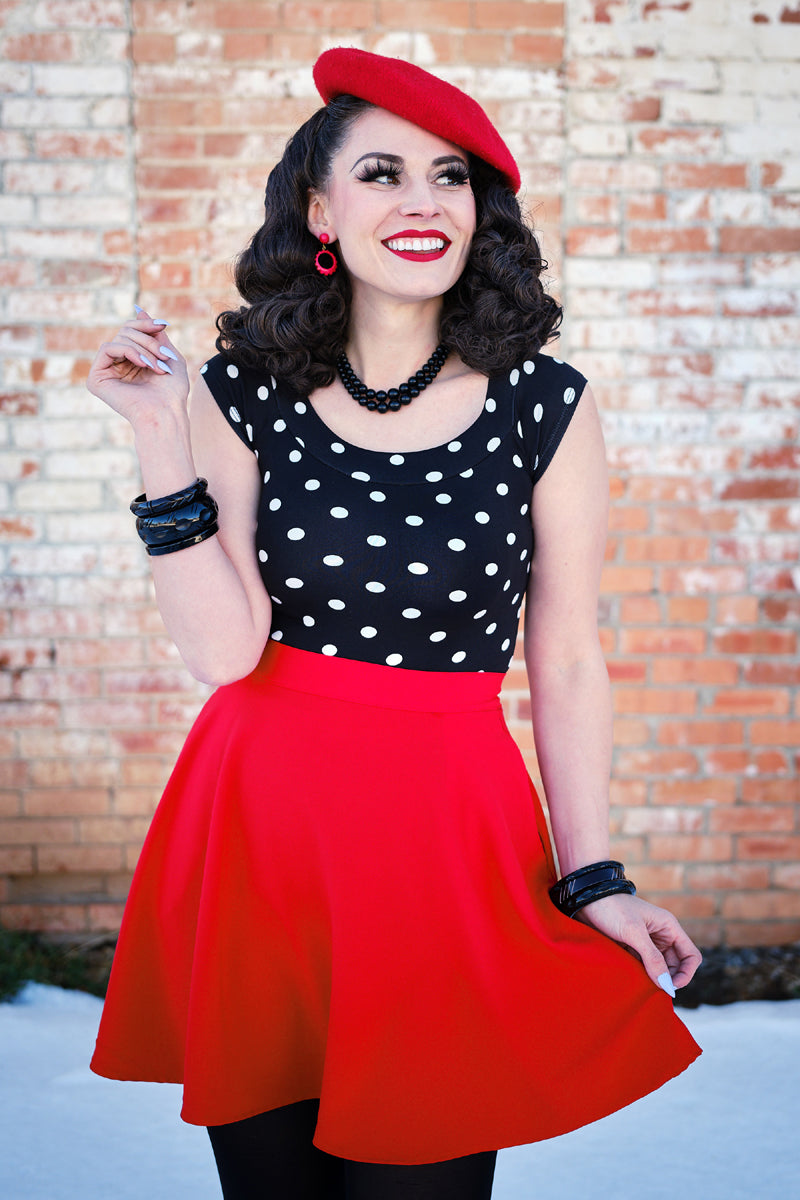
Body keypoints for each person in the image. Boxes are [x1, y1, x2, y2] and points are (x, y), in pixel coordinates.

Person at [87, 48, 702, 1200]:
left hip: (446, 842)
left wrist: (593, 876)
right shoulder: (240, 390)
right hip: (262, 835)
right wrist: (160, 440)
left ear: (477, 211)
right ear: (321, 211)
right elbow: (224, 652)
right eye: (381, 173)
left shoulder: (545, 403)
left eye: (448, 176)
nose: (421, 201)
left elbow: (567, 658)